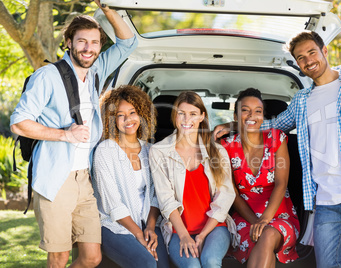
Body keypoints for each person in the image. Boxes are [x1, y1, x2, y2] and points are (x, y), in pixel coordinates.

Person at [214, 31, 341, 268]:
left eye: (312, 52)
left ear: (324, 51)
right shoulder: (301, 99)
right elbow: (272, 124)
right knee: (327, 265)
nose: (308, 60)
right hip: (324, 199)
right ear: (298, 64)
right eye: (300, 57)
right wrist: (234, 125)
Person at [9, 1, 137, 267]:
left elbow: (128, 43)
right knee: (58, 257)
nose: (88, 48)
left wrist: (109, 10)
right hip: (56, 178)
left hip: (84, 180)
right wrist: (64, 135)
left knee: (91, 257)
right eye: (82, 41)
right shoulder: (47, 76)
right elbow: (19, 123)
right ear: (68, 42)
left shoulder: (96, 71)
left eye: (94, 42)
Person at [149, 91, 237, 268]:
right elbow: (165, 200)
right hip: (177, 229)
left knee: (210, 261)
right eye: (181, 113)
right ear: (175, 115)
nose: (186, 119)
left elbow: (226, 196)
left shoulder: (218, 151)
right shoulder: (159, 151)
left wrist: (203, 235)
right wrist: (183, 236)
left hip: (214, 227)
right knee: (192, 266)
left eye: (193, 114)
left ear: (202, 117)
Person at [92, 85, 169, 268]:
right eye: (120, 115)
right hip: (114, 225)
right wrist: (139, 234)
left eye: (133, 112)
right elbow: (113, 205)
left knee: (163, 265)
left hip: (146, 222)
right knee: (147, 263)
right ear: (112, 119)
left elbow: (154, 195)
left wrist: (150, 227)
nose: (128, 119)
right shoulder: (105, 150)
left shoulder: (150, 150)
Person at [221, 88, 299, 267]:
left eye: (258, 111)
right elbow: (233, 194)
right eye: (245, 110)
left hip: (280, 214)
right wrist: (255, 222)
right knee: (262, 238)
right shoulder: (226, 147)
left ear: (263, 116)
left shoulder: (276, 138)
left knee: (268, 234)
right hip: (245, 217)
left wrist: (264, 220)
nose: (252, 115)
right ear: (235, 116)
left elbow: (281, 184)